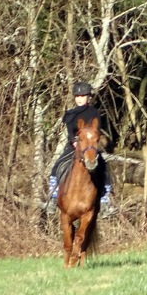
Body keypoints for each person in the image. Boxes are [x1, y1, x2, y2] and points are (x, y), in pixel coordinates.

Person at [46, 81, 115, 215]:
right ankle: (52, 199)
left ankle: (105, 202)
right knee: (56, 166)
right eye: (77, 96)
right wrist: (74, 142)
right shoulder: (70, 114)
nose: (79, 99)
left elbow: (96, 130)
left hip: (89, 146)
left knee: (104, 168)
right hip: (73, 146)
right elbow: (70, 131)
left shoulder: (94, 112)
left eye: (82, 96)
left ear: (88, 97)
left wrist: (89, 143)